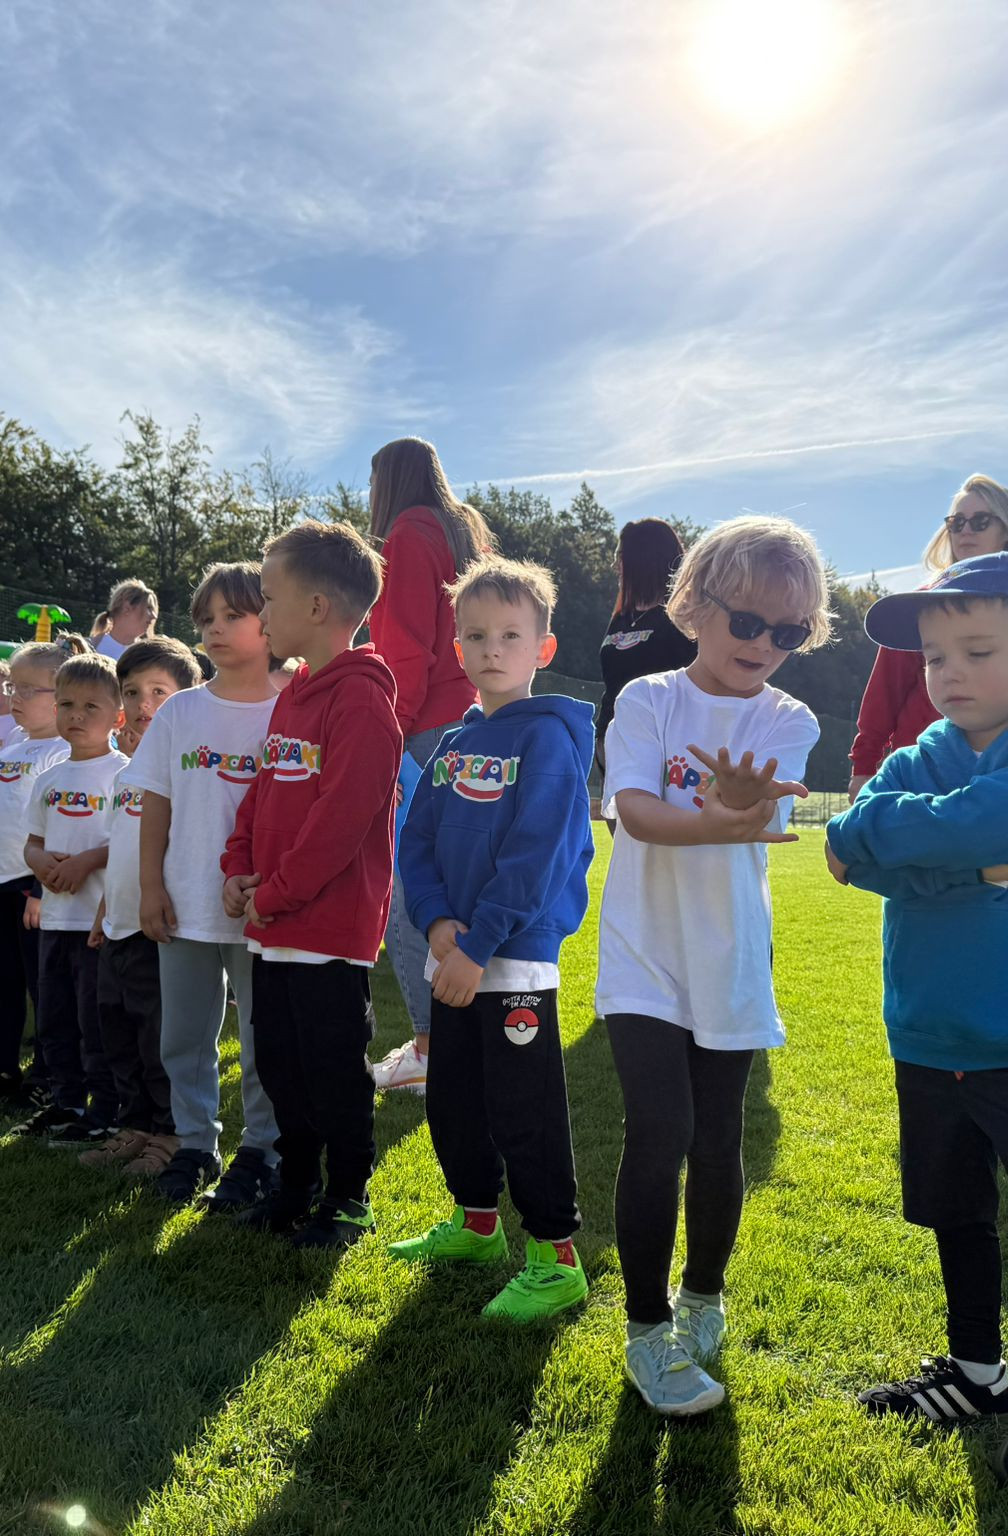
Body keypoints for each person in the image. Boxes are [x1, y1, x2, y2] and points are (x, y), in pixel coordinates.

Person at [825, 554, 1008, 1501]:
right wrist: (960, 862)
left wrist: (920, 841)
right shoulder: (920, 754)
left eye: (976, 649)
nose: (946, 671)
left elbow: (995, 820)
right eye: (934, 654)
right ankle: (976, 1374)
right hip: (927, 1034)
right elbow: (844, 845)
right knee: (957, 1212)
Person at [597, 516, 825, 1416]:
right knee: (660, 1133)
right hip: (645, 953)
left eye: (790, 633)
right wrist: (721, 812)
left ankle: (703, 1298)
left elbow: (763, 822)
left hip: (732, 953)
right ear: (693, 607)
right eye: (748, 623)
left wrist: (740, 805)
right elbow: (640, 815)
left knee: (719, 1137)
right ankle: (648, 1334)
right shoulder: (648, 701)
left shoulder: (791, 718)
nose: (765, 646)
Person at [388, 556, 596, 1321]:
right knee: (455, 1101)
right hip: (455, 955)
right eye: (476, 634)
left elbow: (537, 856)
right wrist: (439, 924)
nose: (492, 648)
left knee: (523, 1110)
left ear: (542, 648)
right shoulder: (450, 747)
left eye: (511, 634)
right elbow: (417, 843)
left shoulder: (550, 741)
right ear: (456, 646)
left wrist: (479, 946)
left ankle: (555, 1257)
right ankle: (476, 1226)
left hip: (510, 960)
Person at [221, 521, 402, 1250]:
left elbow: (342, 820)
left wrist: (278, 892)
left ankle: (347, 1198)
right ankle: (295, 1185)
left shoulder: (361, 701)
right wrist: (238, 867)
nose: (260, 615)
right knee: (280, 1065)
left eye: (268, 599)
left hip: (326, 930)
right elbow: (261, 795)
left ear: (318, 607)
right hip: (276, 923)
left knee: (333, 1073)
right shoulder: (294, 694)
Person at [123, 562, 283, 1206]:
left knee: (262, 1041)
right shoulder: (181, 711)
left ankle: (262, 1151)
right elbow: (153, 804)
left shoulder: (293, 707)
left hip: (262, 908)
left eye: (232, 616)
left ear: (271, 619)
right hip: (183, 900)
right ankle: (195, 1145)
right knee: (184, 1037)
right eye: (205, 620)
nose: (215, 629)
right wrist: (149, 889)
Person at [365, 436, 496, 1099]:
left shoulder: (408, 533)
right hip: (475, 724)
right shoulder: (464, 530)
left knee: (410, 893)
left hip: (425, 730)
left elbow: (405, 648)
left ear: (387, 480)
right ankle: (467, 1042)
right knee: (456, 888)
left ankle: (430, 1048)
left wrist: (390, 732)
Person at [849, 477, 1008, 796]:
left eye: (980, 521)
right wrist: (863, 768)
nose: (965, 530)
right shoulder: (920, 607)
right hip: (920, 782)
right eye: (956, 523)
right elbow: (883, 696)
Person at [78, 638, 198, 1166]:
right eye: (133, 692)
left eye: (160, 692)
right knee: (119, 1033)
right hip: (119, 927)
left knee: (159, 1038)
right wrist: (106, 910)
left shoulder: (188, 769)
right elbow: (123, 850)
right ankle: (134, 1125)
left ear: (188, 699)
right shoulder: (128, 773)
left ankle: (171, 1133)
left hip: (161, 928)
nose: (145, 704)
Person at [14, 653, 125, 1137]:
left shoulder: (124, 774)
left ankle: (104, 1108)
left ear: (117, 717)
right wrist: (39, 864)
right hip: (55, 921)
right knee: (55, 1017)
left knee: (94, 1020)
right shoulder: (49, 778)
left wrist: (87, 863)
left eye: (90, 707)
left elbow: (129, 843)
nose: (76, 716)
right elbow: (32, 843)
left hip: (97, 924)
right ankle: (65, 1103)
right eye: (66, 705)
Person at [0, 640, 73, 1107]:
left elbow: (60, 827)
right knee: (4, 982)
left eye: (30, 688)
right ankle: (2, 1069)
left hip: (32, 889)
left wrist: (39, 888)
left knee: (43, 987)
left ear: (62, 693)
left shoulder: (63, 750)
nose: (16, 697)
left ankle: (48, 1074)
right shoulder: (13, 742)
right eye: (13, 686)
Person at [595, 519, 697, 817]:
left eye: (621, 555)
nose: (616, 564)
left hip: (663, 745)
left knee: (655, 844)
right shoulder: (621, 618)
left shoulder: (683, 618)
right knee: (625, 844)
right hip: (613, 739)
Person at [93, 580, 159, 661]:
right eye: (149, 608)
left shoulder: (149, 655)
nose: (154, 616)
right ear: (126, 608)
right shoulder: (90, 647)